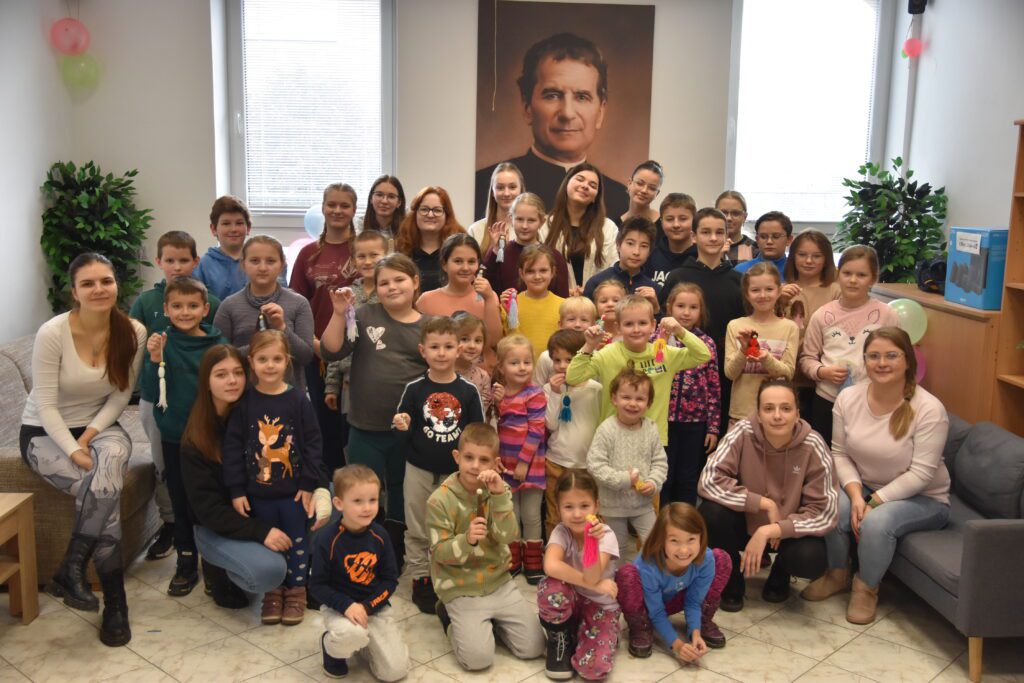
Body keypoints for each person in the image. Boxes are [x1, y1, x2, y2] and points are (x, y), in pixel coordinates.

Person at [20, 253, 147, 647]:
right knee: (104, 494)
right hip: (44, 431)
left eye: (106, 281)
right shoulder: (52, 332)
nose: (98, 289)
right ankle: (115, 604)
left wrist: (89, 435)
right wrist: (74, 451)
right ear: (74, 292)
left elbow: (121, 394)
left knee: (106, 474)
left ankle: (70, 569)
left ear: (116, 285)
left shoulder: (134, 331)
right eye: (88, 283)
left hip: (101, 426)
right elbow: (45, 405)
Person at [801, 327, 950, 625]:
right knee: (832, 502)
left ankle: (866, 587)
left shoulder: (930, 409)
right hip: (866, 486)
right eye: (874, 356)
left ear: (908, 361)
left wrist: (874, 501)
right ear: (865, 361)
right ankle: (836, 574)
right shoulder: (848, 398)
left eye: (891, 356)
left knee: (876, 521)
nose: (882, 363)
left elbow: (921, 474)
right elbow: (839, 453)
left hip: (923, 498)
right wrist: (857, 496)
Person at [182, 345, 324, 608]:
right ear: (206, 381)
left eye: (237, 372)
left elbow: (308, 447)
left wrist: (317, 488)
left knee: (329, 505)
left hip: (266, 506)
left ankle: (299, 581)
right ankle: (220, 571)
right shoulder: (196, 439)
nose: (232, 380)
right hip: (219, 525)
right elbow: (208, 511)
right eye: (221, 374)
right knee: (268, 571)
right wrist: (261, 531)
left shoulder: (259, 408)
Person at [319, 254, 428, 556]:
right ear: (375, 288)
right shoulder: (364, 314)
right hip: (365, 428)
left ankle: (395, 550)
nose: (392, 287)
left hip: (407, 433)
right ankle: (358, 549)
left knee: (401, 492)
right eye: (384, 282)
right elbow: (330, 351)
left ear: (415, 282)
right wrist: (339, 313)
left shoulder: (428, 326)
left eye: (399, 279)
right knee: (360, 491)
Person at [698, 379, 838, 612]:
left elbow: (825, 512)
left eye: (786, 408)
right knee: (710, 513)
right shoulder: (742, 431)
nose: (777, 416)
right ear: (759, 414)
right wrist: (763, 503)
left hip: (786, 533)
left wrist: (773, 529)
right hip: (744, 524)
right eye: (769, 408)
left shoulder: (813, 443)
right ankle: (731, 579)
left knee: (811, 558)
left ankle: (780, 572)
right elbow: (709, 480)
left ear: (797, 414)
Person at [223, 330, 325, 626]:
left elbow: (313, 443)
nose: (270, 365)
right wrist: (236, 489)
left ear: (287, 362)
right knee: (270, 544)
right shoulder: (244, 403)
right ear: (251, 362)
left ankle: (296, 592)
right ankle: (273, 592)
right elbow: (232, 447)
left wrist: (308, 482)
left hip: (294, 494)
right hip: (258, 494)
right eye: (263, 359)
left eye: (277, 359)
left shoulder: (298, 399)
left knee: (297, 542)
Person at [130, 230, 220, 562]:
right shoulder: (146, 302)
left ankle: (206, 542)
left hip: (199, 406)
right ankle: (172, 526)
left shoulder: (212, 307)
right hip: (160, 400)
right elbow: (132, 349)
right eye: (170, 260)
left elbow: (215, 350)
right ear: (159, 262)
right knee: (165, 467)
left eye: (184, 260)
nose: (177, 266)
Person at [427, 423, 546, 671]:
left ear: (495, 464)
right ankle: (449, 617)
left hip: (499, 582)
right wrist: (466, 540)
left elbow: (508, 536)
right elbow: (438, 553)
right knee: (478, 660)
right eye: (469, 457)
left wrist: (500, 497)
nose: (475, 466)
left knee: (534, 648)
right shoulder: (440, 500)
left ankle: (492, 624)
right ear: (457, 457)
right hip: (460, 587)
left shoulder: (500, 491)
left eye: (483, 460)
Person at [474, 33, 628, 219]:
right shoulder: (481, 186)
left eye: (582, 97)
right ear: (527, 106)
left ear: (601, 111)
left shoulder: (621, 199)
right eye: (552, 95)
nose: (567, 114)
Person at [393, 317, 485, 615]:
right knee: (418, 526)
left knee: (458, 525)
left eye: (448, 346)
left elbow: (478, 435)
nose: (442, 353)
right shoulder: (414, 389)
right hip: (418, 470)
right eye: (435, 347)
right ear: (423, 350)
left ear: (458, 349)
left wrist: (474, 469)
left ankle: (453, 572)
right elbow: (403, 428)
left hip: (456, 475)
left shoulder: (468, 391)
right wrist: (402, 424)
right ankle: (421, 577)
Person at [142, 277, 226, 597]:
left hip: (211, 437)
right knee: (180, 498)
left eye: (193, 306)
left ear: (205, 309)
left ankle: (216, 561)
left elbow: (228, 387)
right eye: (177, 306)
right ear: (166, 309)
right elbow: (152, 389)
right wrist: (153, 360)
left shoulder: (218, 344)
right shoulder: (163, 344)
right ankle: (186, 559)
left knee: (210, 497)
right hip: (176, 436)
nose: (185, 312)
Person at [566, 295, 712, 446]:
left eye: (642, 323)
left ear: (653, 325)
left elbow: (703, 355)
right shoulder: (607, 354)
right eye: (629, 324)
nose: (636, 329)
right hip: (612, 440)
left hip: (652, 441)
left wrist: (680, 331)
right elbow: (573, 377)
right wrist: (589, 346)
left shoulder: (664, 354)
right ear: (618, 327)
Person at [312, 464, 409, 681]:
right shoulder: (326, 539)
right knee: (351, 633)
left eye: (372, 500)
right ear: (339, 503)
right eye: (357, 501)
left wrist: (367, 607)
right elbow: (317, 586)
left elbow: (390, 580)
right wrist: (347, 606)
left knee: (395, 672)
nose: (367, 508)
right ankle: (332, 648)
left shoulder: (381, 536)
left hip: (374, 608)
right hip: (339, 608)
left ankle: (363, 642)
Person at [290, 183, 360, 476]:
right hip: (318, 352)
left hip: (359, 355)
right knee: (323, 423)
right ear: (323, 207)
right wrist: (316, 344)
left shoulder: (362, 251)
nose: (337, 210)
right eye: (332, 204)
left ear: (354, 210)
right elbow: (296, 306)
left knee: (354, 424)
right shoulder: (308, 254)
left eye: (344, 205)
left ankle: (358, 483)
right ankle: (328, 484)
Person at [798, 245, 899, 446]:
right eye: (847, 273)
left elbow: (898, 356)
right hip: (827, 400)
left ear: (873, 278)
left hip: (872, 402)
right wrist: (822, 371)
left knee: (866, 452)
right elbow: (807, 358)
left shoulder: (886, 314)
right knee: (826, 453)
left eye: (861, 275)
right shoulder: (822, 315)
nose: (853, 280)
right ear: (838, 274)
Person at [660, 208, 745, 436]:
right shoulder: (678, 276)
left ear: (727, 237)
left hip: (724, 371)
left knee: (717, 435)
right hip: (681, 371)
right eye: (706, 232)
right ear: (694, 236)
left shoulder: (738, 281)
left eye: (719, 232)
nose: (713, 238)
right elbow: (663, 324)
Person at [614, 503, 731, 660]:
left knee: (722, 558)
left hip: (678, 598)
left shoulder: (706, 559)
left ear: (701, 538)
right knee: (626, 574)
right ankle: (640, 627)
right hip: (648, 606)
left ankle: (703, 621)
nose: (684, 550)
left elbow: (693, 602)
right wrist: (677, 645)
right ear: (661, 541)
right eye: (674, 541)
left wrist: (695, 633)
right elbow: (656, 611)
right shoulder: (648, 564)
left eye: (691, 539)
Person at [537, 470, 621, 680]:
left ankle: (597, 633)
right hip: (573, 602)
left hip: (601, 607)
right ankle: (561, 637)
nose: (577, 514)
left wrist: (591, 541)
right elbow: (550, 566)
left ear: (596, 506)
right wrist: (594, 585)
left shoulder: (606, 535)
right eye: (568, 507)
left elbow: (592, 576)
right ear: (558, 509)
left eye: (584, 506)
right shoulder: (561, 531)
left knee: (592, 669)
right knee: (550, 587)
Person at [214, 236, 315, 393]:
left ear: (282, 264)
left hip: (289, 398)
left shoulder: (299, 303)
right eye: (255, 261)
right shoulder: (229, 306)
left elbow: (306, 356)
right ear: (243, 264)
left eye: (270, 261)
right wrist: (259, 347)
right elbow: (219, 357)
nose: (262, 268)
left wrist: (282, 328)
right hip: (243, 397)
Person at [586, 366, 668, 560]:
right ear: (614, 399)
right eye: (626, 397)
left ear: (648, 403)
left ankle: (648, 576)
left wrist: (653, 483)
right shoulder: (606, 429)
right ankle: (619, 578)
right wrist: (624, 479)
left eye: (639, 399)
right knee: (617, 549)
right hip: (612, 505)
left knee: (654, 543)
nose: (632, 403)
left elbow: (660, 462)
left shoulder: (651, 428)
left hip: (643, 504)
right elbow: (595, 465)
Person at [491, 334, 547, 582]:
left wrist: (523, 462)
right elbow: (496, 424)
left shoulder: (535, 394)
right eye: (514, 363)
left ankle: (533, 561)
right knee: (510, 513)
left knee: (531, 514)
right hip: (505, 464)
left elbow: (536, 430)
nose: (522, 367)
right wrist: (498, 402)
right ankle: (512, 558)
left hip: (530, 465)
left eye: (527, 362)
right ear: (501, 367)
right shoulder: (500, 394)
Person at [662, 283, 721, 506]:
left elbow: (714, 387)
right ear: (670, 307)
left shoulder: (706, 343)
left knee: (687, 477)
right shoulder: (656, 339)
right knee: (664, 477)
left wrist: (713, 427)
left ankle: (686, 522)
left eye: (693, 307)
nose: (686, 312)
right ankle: (661, 522)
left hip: (695, 422)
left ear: (701, 311)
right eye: (680, 306)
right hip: (662, 421)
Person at [323, 229, 388, 426]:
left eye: (374, 255)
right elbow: (339, 340)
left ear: (387, 256)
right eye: (361, 256)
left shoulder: (391, 293)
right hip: (349, 381)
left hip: (383, 378)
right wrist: (332, 384)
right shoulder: (347, 294)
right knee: (350, 434)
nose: (367, 261)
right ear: (353, 260)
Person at [543, 329, 602, 538]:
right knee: (555, 514)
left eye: (569, 360)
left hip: (589, 464)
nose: (562, 365)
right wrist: (555, 394)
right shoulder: (550, 388)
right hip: (556, 461)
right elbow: (550, 425)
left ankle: (587, 552)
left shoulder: (596, 389)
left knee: (589, 516)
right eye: (556, 360)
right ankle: (554, 552)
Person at [723, 263, 799, 423]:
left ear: (779, 291)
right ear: (747, 293)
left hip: (776, 415)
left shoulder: (790, 327)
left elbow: (788, 374)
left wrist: (766, 358)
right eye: (755, 290)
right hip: (741, 414)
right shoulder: (735, 326)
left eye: (769, 289)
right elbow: (730, 373)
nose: (762, 295)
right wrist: (743, 351)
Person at [416, 233, 501, 369]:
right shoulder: (426, 301)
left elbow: (494, 342)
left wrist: (489, 299)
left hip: (482, 376)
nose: (465, 268)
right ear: (444, 264)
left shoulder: (488, 297)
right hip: (442, 377)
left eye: (471, 262)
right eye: (458, 261)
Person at [779, 230, 841, 415]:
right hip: (787, 375)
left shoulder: (836, 291)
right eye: (802, 255)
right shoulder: (781, 289)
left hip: (823, 378)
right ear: (793, 256)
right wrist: (778, 301)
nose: (808, 261)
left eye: (816, 256)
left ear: (826, 258)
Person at [540, 163, 620, 291]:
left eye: (592, 185)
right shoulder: (546, 225)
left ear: (596, 197)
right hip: (556, 299)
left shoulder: (608, 228)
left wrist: (590, 289)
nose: (585, 186)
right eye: (580, 179)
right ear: (566, 183)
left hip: (596, 299)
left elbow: (614, 268)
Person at [482, 192, 571, 297]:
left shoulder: (554, 257)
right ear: (511, 218)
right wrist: (495, 251)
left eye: (531, 220)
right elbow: (484, 285)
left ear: (542, 222)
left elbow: (563, 299)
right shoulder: (500, 253)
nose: (524, 226)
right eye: (519, 219)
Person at [500, 244, 565, 361]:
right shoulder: (511, 305)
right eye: (530, 271)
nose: (537, 276)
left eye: (543, 270)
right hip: (520, 368)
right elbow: (508, 344)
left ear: (553, 271)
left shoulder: (564, 306)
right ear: (521, 273)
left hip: (554, 370)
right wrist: (510, 314)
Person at [582, 216, 660, 312]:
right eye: (630, 243)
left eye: (644, 246)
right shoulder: (596, 282)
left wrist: (656, 308)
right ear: (618, 245)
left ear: (650, 251)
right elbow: (585, 317)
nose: (636, 252)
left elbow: (664, 320)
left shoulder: (654, 290)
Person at [395, 186, 464, 294]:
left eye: (437, 210)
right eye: (424, 209)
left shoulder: (459, 248)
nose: (430, 215)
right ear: (415, 213)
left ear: (447, 215)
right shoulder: (401, 248)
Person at [194, 195, 257, 301]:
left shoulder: (259, 260)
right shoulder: (203, 265)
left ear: (248, 227)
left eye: (239, 223)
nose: (233, 229)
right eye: (226, 223)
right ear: (213, 229)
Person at [533, 296, 598, 388]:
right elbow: (536, 389)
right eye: (571, 319)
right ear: (560, 324)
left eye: (584, 320)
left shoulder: (597, 357)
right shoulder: (546, 357)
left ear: (593, 325)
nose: (577, 325)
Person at [468, 162, 524, 252]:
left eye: (512, 187)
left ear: (521, 189)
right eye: (500, 188)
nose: (506, 193)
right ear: (492, 192)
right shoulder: (475, 230)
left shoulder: (534, 230)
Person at [645, 193, 698, 287]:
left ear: (694, 221)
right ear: (661, 222)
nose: (676, 225)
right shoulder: (650, 256)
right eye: (669, 219)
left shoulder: (701, 258)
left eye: (683, 219)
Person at [734, 211, 795, 279]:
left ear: (789, 240)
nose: (769, 242)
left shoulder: (797, 269)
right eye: (763, 237)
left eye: (776, 236)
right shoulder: (741, 271)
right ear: (757, 240)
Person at [453, 312, 493, 412]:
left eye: (478, 341)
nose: (472, 346)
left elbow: (481, 411)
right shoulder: (439, 372)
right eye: (464, 339)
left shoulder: (483, 377)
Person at [714, 191, 757, 265]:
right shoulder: (706, 246)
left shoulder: (753, 248)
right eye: (723, 213)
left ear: (744, 217)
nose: (728, 218)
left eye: (735, 213)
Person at [616, 160, 663, 227]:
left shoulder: (664, 224)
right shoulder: (614, 227)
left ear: (657, 194)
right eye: (640, 183)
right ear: (629, 183)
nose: (644, 190)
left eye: (652, 188)